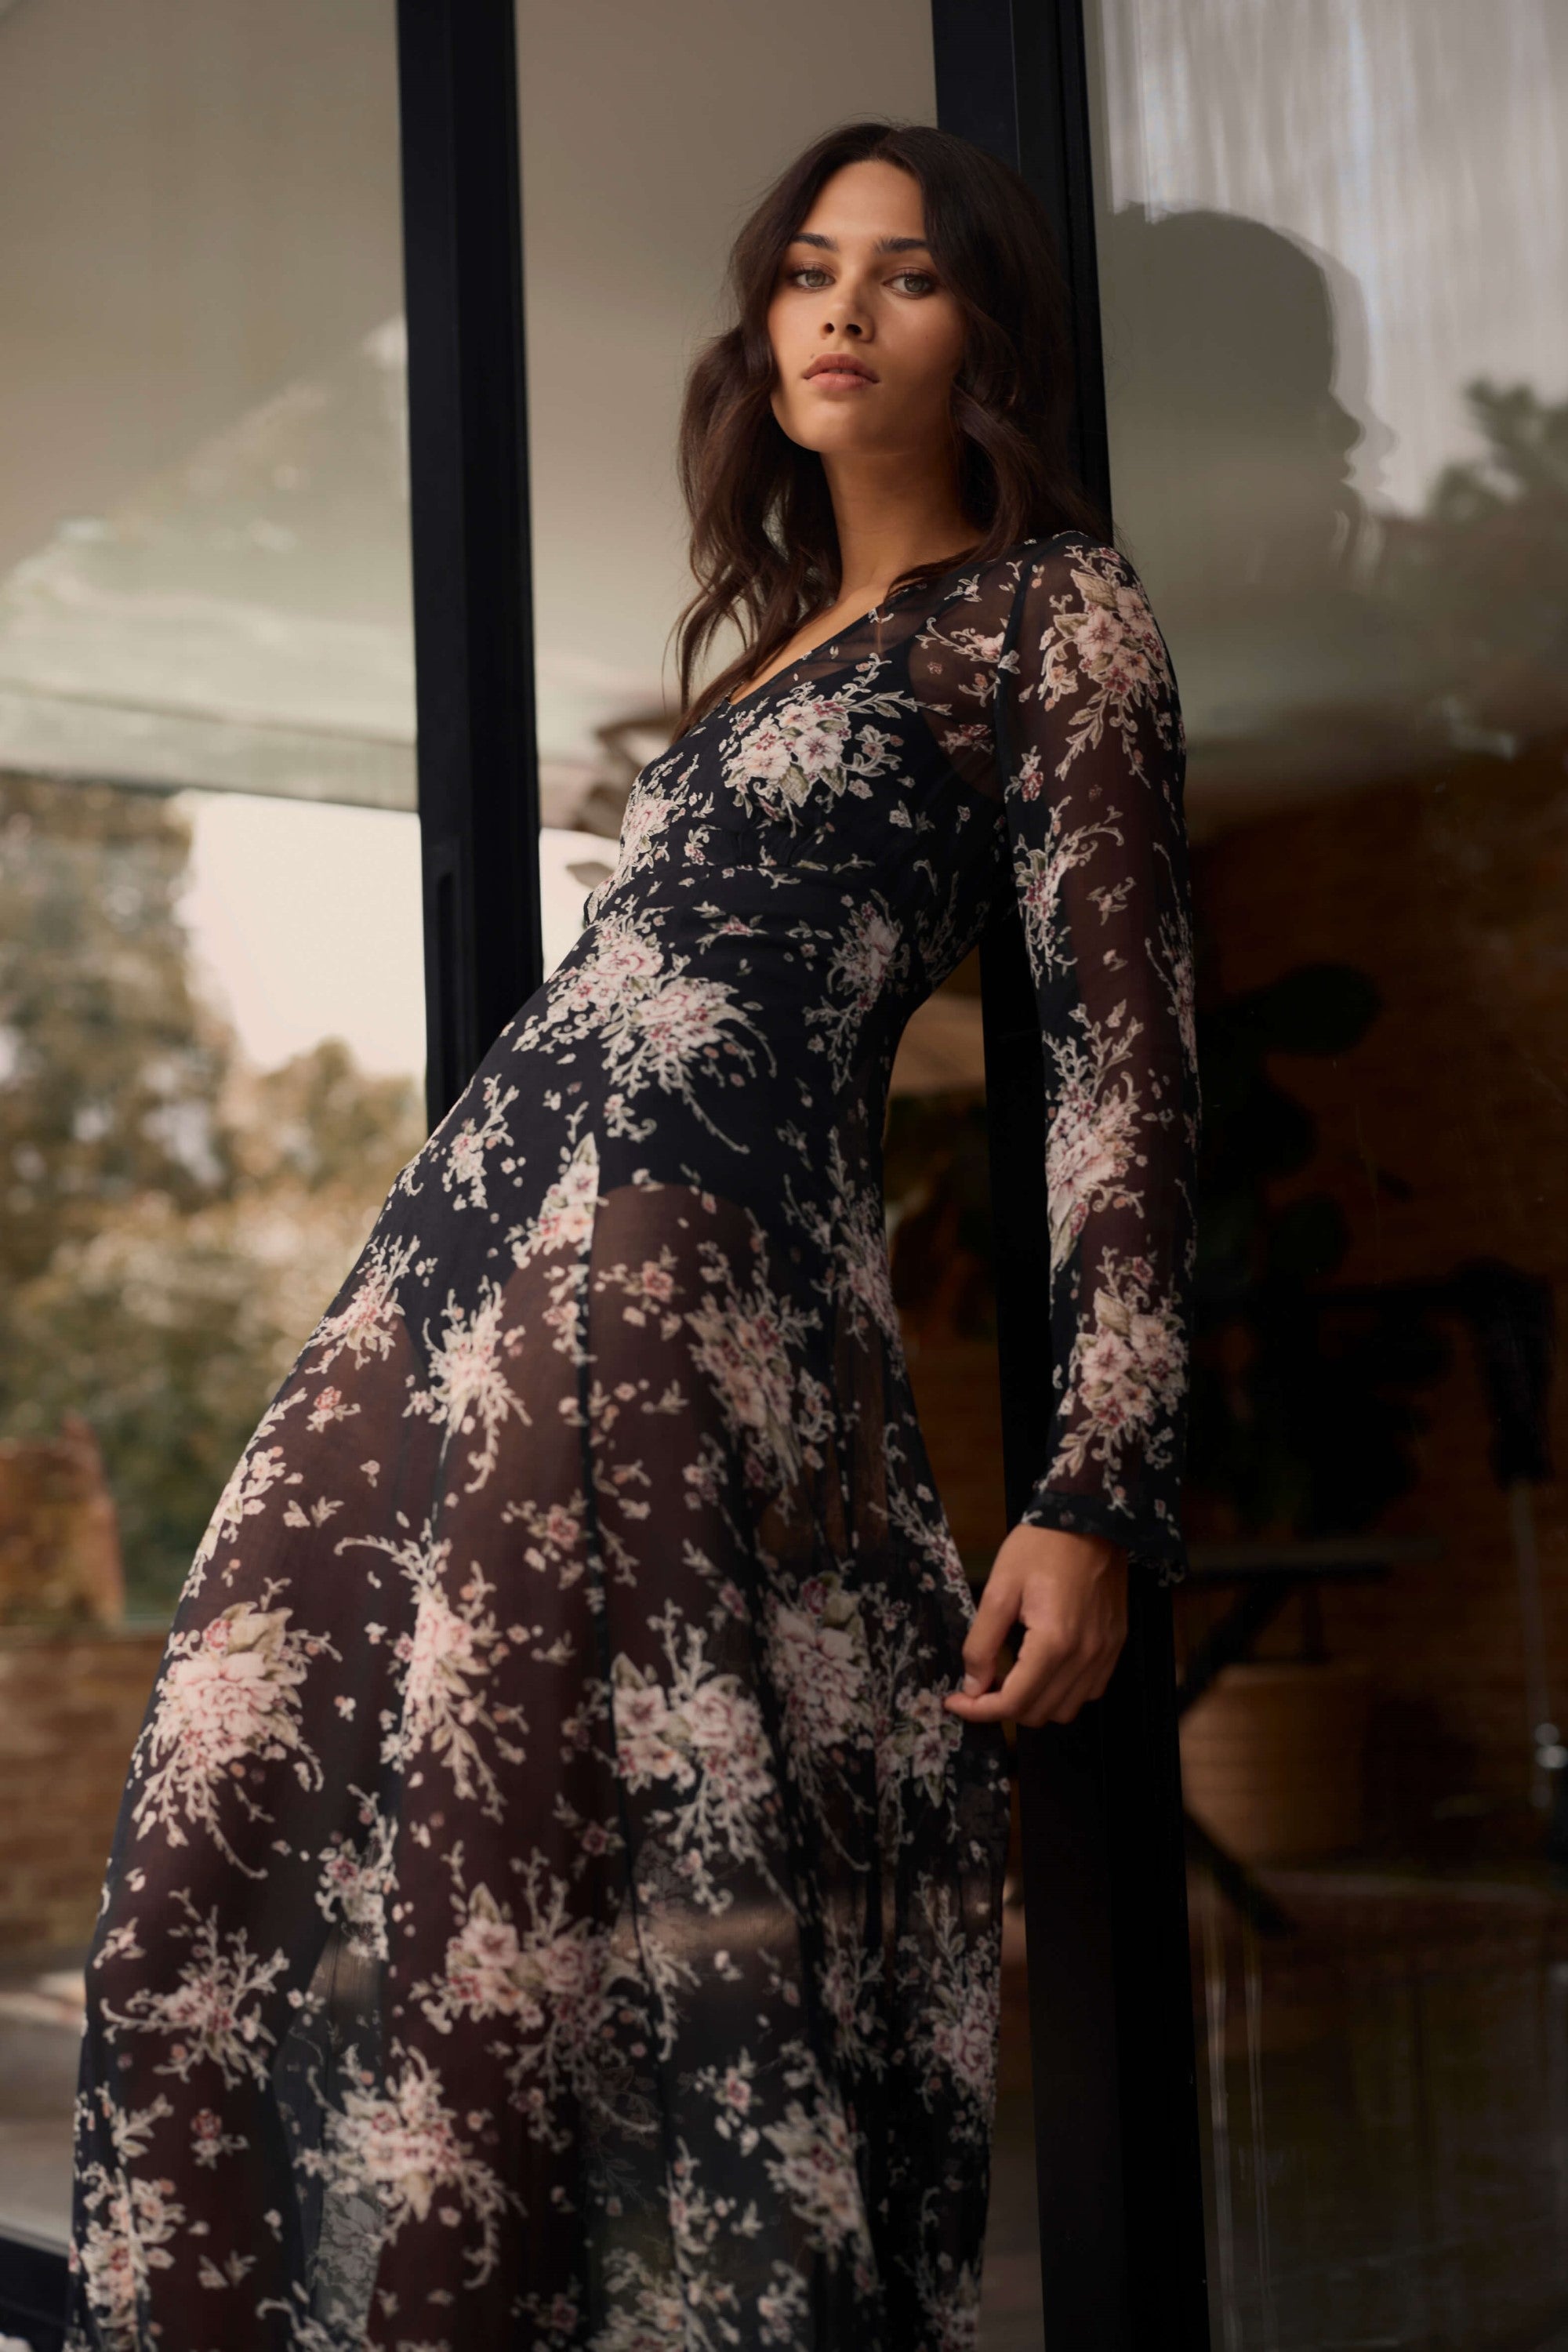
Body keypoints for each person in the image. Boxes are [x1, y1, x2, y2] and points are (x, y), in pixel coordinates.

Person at [67, 118, 1196, 2352]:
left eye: (906, 273)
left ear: (994, 334)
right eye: (805, 270)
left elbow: (1126, 1063)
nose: (843, 311)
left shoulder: (1052, 615)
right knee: (218, 1800)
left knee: (552, 1908)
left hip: (683, 1290)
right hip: (447, 1275)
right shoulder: (768, 652)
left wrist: (1102, 1482)